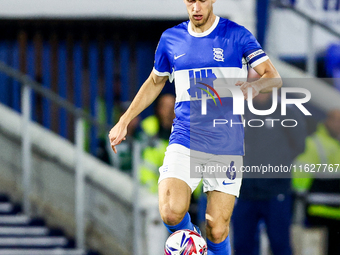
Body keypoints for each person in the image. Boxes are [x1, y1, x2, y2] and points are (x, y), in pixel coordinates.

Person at [109, 1, 282, 254]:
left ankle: (203, 246)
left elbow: (272, 76)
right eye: (191, 0)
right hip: (185, 137)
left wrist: (252, 87)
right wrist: (124, 120)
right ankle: (193, 245)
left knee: (217, 229)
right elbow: (155, 81)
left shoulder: (236, 35)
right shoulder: (171, 38)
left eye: (202, 0)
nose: (196, 6)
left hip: (226, 142)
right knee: (170, 211)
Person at [232, 69, 307, 255]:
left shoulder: (286, 112)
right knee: (242, 245)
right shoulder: (238, 113)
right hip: (244, 192)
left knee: (280, 244)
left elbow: (299, 145)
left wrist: (276, 162)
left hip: (276, 191)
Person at [293, 109, 340, 255]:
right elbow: (300, 176)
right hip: (318, 211)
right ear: (328, 121)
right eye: (337, 120)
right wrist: (300, 201)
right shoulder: (314, 143)